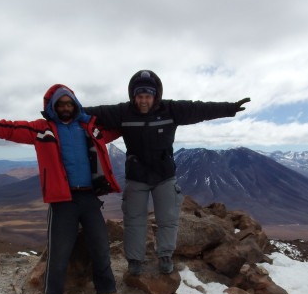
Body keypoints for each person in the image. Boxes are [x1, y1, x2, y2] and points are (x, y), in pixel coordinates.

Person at [0, 84, 123, 294]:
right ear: (53, 107)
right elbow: (10, 129)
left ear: (75, 105)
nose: (65, 108)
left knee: (101, 245)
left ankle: (106, 290)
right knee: (60, 249)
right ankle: (53, 293)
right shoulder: (43, 129)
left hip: (89, 196)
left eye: (69, 103)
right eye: (60, 104)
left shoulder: (89, 127)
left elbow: (123, 126)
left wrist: (142, 117)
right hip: (63, 199)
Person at [85, 70, 250, 276]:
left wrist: (229, 108)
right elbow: (92, 112)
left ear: (155, 96)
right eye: (139, 96)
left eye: (147, 96)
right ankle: (135, 259)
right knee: (134, 219)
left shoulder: (171, 109)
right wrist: (62, 110)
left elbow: (199, 109)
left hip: (164, 175)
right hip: (137, 176)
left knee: (168, 218)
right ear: (133, 96)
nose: (143, 101)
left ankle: (165, 255)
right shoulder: (123, 112)